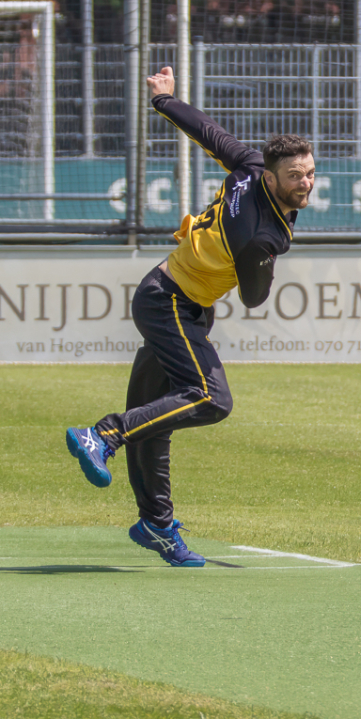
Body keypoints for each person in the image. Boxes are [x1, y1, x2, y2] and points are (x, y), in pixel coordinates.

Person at [66, 66, 315, 567]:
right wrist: (262, 265)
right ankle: (104, 434)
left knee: (157, 416)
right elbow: (252, 298)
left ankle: (156, 525)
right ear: (272, 177)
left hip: (175, 300)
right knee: (210, 398)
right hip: (169, 303)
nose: (304, 183)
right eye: (295, 176)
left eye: (309, 172)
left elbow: (211, 135)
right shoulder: (260, 235)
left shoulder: (248, 167)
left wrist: (165, 99)